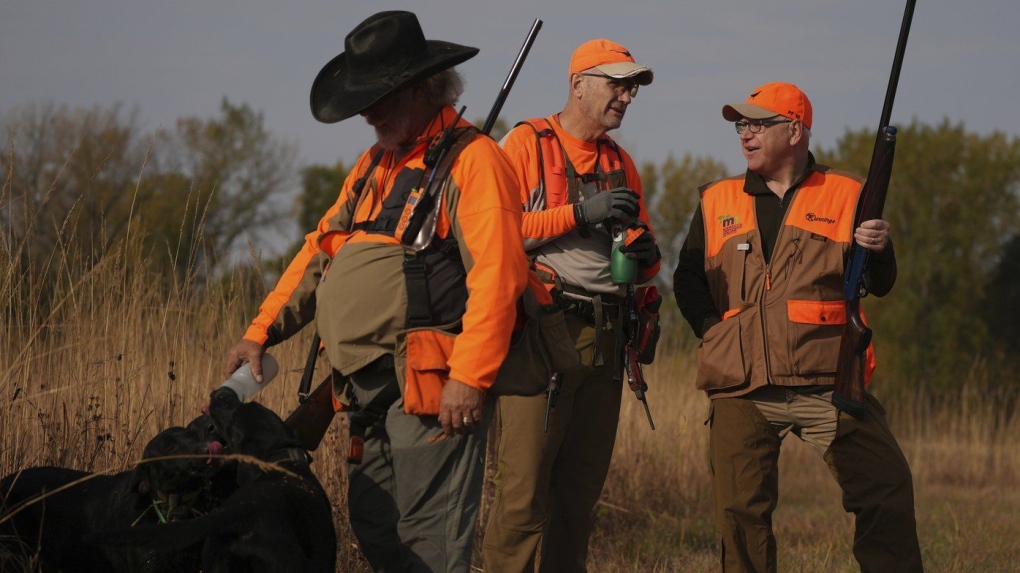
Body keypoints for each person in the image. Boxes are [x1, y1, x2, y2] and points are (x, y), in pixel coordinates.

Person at [220, 11, 530, 572]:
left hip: (433, 387)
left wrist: (470, 376)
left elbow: (498, 275)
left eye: (379, 96)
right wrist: (259, 332)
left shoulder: (474, 159)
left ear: (421, 87)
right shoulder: (374, 164)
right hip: (362, 393)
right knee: (374, 523)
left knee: (428, 540)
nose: (366, 111)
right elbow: (320, 251)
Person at [673, 81, 923, 572]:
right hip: (742, 383)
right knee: (739, 514)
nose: (744, 134)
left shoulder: (848, 193)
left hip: (827, 381)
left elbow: (881, 282)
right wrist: (714, 330)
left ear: (794, 130)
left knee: (886, 489)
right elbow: (687, 278)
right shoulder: (716, 199)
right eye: (741, 125)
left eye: (757, 124)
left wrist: (880, 248)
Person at [482, 39, 661, 573]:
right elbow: (497, 232)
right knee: (522, 494)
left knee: (577, 499)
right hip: (542, 334)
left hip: (607, 342)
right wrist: (581, 213)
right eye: (617, 84)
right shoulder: (524, 142)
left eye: (632, 88)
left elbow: (641, 258)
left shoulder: (621, 162)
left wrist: (649, 257)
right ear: (578, 83)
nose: (627, 97)